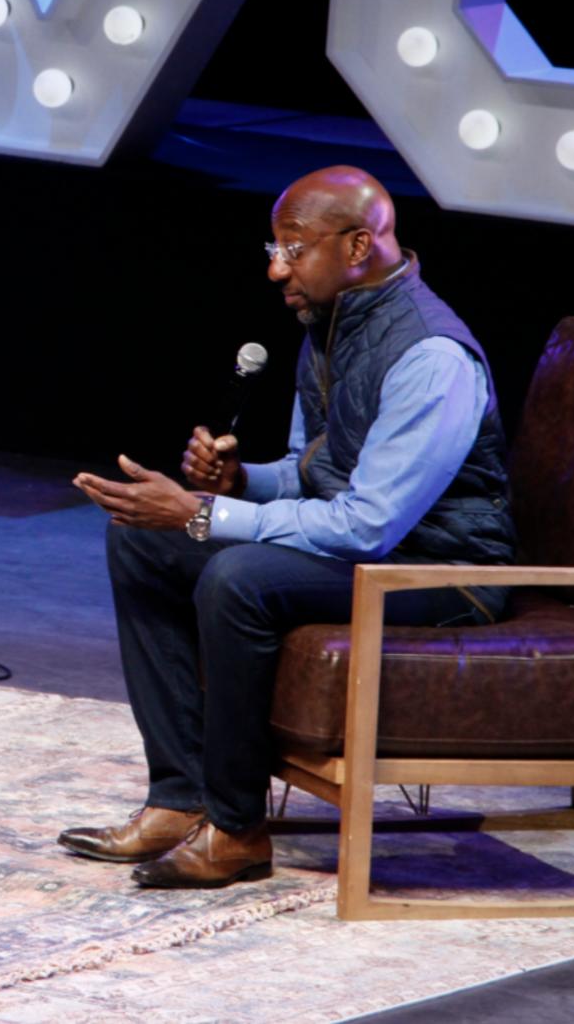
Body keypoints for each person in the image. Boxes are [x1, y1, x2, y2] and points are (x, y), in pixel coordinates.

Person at [62, 167, 515, 888]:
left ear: (359, 244)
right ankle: (180, 800)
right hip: (379, 549)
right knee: (147, 541)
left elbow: (368, 525)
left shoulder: (432, 358)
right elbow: (318, 475)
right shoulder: (328, 327)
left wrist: (208, 514)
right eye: (272, 249)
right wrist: (243, 483)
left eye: (294, 249)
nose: (276, 269)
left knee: (238, 575)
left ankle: (238, 829)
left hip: (444, 572)